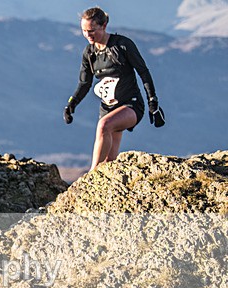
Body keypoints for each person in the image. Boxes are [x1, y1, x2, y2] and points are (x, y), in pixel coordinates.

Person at [64, 6, 164, 172]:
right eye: (84, 31)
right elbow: (84, 83)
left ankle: (91, 175)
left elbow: (143, 73)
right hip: (107, 108)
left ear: (103, 26)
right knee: (109, 162)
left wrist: (153, 103)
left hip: (130, 105)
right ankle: (101, 182)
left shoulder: (123, 45)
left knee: (104, 125)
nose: (88, 35)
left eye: (92, 30)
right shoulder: (89, 53)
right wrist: (71, 103)